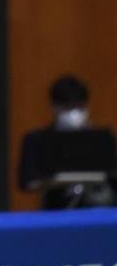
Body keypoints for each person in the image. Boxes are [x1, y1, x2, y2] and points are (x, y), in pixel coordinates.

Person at [18, 74, 117, 209]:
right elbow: (26, 181)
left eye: (78, 106)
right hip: (56, 209)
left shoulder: (103, 140)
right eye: (67, 107)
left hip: (95, 210)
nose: (73, 113)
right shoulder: (37, 140)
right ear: (54, 107)